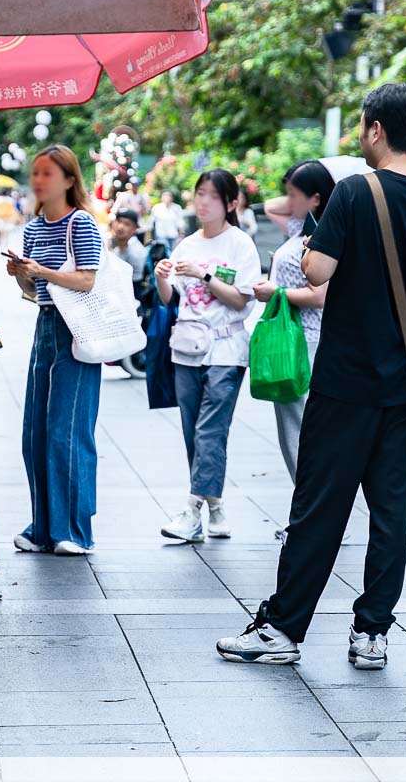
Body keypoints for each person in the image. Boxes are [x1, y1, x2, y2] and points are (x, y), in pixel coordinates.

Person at [216, 83, 406, 669]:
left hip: (346, 377)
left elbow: (319, 268)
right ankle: (372, 631)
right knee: (391, 509)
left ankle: (283, 629)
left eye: (361, 125)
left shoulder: (352, 193)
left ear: (376, 129)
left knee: (319, 506)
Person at [5, 145, 103, 555]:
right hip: (46, 324)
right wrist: (21, 276)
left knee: (69, 431)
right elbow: (35, 292)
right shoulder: (32, 227)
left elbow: (87, 280)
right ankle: (44, 527)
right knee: (35, 433)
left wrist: (40, 271)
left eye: (48, 173)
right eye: (36, 172)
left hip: (76, 330)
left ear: (68, 179)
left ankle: (75, 531)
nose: (39, 180)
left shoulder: (81, 223)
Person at [154, 169, 261, 542]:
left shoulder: (240, 245)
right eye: (199, 194)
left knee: (210, 431)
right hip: (187, 349)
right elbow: (172, 300)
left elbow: (241, 300)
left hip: (227, 350)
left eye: (212, 196)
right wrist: (161, 276)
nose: (202, 202)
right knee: (193, 434)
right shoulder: (186, 244)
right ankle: (214, 506)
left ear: (231, 203)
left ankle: (190, 511)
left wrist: (204, 276)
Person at [253, 160, 334, 482]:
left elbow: (320, 295)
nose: (287, 201)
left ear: (316, 198)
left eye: (294, 195)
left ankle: (310, 519)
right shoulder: (300, 228)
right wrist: (296, 189)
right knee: (294, 431)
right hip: (292, 337)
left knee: (300, 432)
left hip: (305, 340)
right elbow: (272, 206)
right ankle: (308, 515)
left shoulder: (321, 235)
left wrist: (277, 292)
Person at [109, 209, 148, 287]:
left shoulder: (135, 251)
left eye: (127, 224)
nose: (120, 227)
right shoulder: (120, 244)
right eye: (119, 221)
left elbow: (134, 282)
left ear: (134, 229)